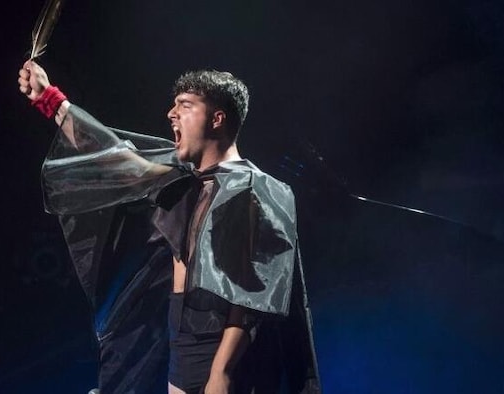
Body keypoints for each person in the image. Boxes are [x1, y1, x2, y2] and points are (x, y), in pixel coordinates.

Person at [17, 60, 320, 394]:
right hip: (180, 345)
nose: (171, 114)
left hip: (222, 347)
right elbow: (114, 159)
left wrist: (223, 371)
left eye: (185, 105)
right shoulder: (183, 182)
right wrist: (51, 101)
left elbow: (254, 294)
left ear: (217, 118)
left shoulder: (255, 189)